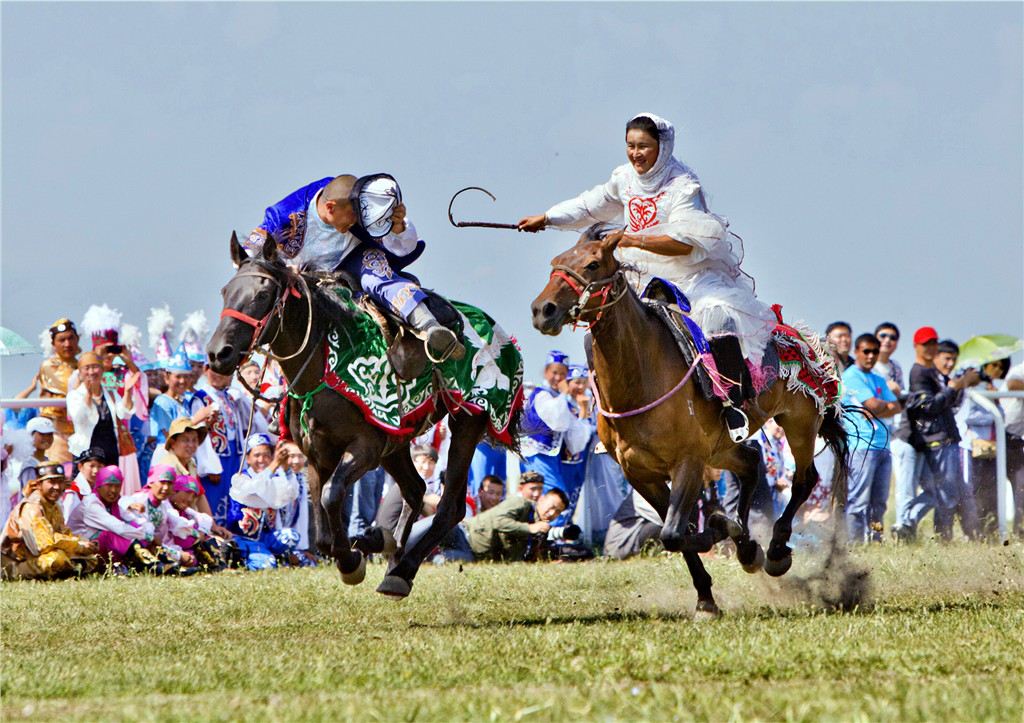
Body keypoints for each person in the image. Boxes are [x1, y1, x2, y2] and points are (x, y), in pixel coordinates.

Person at [519, 113, 776, 441]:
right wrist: (547, 218)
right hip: (640, 277)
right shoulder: (623, 178)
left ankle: (733, 406)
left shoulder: (683, 185)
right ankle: (610, 419)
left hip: (690, 277)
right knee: (594, 333)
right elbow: (590, 205)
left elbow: (686, 243)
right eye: (630, 146)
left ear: (662, 146)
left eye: (644, 146)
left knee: (716, 316)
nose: (636, 154)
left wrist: (631, 239)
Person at [244, 173, 463, 363]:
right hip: (306, 279)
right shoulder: (284, 214)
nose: (354, 223)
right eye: (349, 220)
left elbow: (400, 244)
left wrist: (398, 226)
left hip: (353, 261)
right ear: (330, 208)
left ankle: (430, 326)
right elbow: (250, 253)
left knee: (375, 274)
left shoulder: (358, 204)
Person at [894, 327, 981, 541]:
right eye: (926, 344)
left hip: (937, 439)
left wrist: (958, 385)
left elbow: (945, 404)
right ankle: (936, 534)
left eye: (933, 344)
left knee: (944, 492)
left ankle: (917, 528)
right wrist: (955, 387)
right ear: (916, 346)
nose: (930, 348)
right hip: (930, 441)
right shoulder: (919, 373)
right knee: (944, 493)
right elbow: (930, 406)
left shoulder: (932, 372)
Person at [520, 351, 593, 526]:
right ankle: (551, 536)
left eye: (562, 373)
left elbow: (576, 439)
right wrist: (565, 395)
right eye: (554, 372)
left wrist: (580, 411)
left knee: (546, 496)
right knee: (554, 494)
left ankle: (548, 536)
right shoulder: (542, 393)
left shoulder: (561, 397)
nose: (558, 377)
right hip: (536, 454)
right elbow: (557, 421)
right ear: (546, 372)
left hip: (551, 457)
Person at [190, 363, 268, 526]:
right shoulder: (200, 398)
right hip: (216, 458)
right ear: (205, 371)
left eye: (224, 371)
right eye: (214, 370)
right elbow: (200, 434)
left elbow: (249, 420)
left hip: (233, 456)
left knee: (233, 500)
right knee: (215, 501)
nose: (219, 375)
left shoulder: (231, 396)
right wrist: (210, 466)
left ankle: (231, 536)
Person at [841, 334, 901, 543]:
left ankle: (876, 537)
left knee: (879, 502)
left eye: (875, 351)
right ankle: (855, 543)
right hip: (861, 446)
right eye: (866, 351)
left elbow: (897, 406)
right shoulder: (851, 377)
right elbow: (876, 405)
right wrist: (882, 406)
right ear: (856, 352)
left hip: (883, 445)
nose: (871, 355)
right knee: (858, 500)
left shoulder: (877, 378)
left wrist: (879, 407)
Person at [1, 463, 99, 580]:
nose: (57, 487)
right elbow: (45, 544)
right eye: (52, 482)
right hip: (15, 563)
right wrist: (78, 546)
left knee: (91, 557)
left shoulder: (53, 505)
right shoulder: (33, 506)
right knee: (56, 558)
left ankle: (70, 569)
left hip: (38, 556)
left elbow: (64, 533)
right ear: (39, 484)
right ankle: (71, 569)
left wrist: (84, 543)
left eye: (60, 482)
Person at [65, 465, 161, 572]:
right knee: (111, 535)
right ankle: (152, 565)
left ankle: (161, 562)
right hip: (79, 550)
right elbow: (119, 528)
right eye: (109, 485)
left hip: (96, 550)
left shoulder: (113, 504)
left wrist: (148, 535)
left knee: (133, 530)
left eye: (117, 486)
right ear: (99, 486)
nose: (113, 490)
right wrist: (148, 536)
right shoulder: (91, 504)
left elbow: (134, 522)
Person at [227, 435, 300, 570]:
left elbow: (291, 493)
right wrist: (273, 465)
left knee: (291, 536)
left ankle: (273, 555)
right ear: (248, 458)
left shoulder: (273, 478)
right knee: (268, 565)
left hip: (266, 538)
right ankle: (246, 559)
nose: (262, 460)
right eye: (257, 455)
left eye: (267, 455)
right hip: (244, 539)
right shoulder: (239, 478)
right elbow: (257, 487)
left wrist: (285, 468)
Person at [119, 464, 201, 573]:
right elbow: (149, 537)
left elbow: (180, 526)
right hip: (144, 548)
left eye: (170, 483)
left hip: (162, 547)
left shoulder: (164, 504)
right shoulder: (139, 502)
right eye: (162, 482)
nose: (166, 488)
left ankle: (219, 565)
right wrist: (179, 555)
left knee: (193, 555)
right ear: (151, 482)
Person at [66, 352, 138, 467]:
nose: (91, 372)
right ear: (80, 373)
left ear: (102, 370)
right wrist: (88, 396)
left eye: (95, 367)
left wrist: (127, 392)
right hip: (87, 453)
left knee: (110, 483)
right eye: (87, 368)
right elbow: (80, 420)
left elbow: (125, 414)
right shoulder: (74, 395)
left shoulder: (111, 393)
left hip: (110, 450)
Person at [34, 318, 82, 463]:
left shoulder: (82, 365)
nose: (67, 344)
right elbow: (70, 390)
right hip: (58, 433)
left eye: (71, 338)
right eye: (62, 340)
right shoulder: (50, 366)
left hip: (81, 430)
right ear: (53, 344)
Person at [157, 417, 216, 518]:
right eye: (185, 440)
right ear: (172, 443)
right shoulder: (168, 467)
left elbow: (200, 495)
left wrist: (212, 525)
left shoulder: (191, 462)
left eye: (194, 440)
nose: (191, 445)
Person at [1002, 360, 1024, 536]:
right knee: (987, 487)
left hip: (1015, 440)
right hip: (999, 436)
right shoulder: (1019, 370)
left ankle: (1020, 530)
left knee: (1021, 484)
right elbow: (1013, 383)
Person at [873, 322, 905, 395]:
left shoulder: (896, 366)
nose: (887, 340)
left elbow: (901, 391)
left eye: (892, 338)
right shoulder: (866, 364)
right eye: (883, 336)